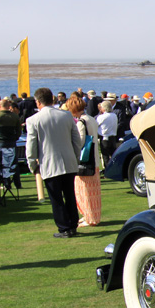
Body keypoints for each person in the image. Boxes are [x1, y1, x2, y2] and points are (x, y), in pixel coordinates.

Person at [26, 88, 82, 237]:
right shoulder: (66, 116)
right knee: (69, 195)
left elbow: (31, 146)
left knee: (56, 198)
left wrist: (32, 164)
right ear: (52, 99)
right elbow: (77, 140)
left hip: (49, 163)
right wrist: (75, 157)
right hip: (68, 161)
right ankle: (72, 225)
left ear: (38, 102)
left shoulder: (33, 120)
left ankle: (64, 228)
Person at [66, 96, 103, 226]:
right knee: (93, 191)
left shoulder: (81, 122)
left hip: (86, 160)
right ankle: (91, 215)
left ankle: (90, 217)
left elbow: (80, 142)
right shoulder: (91, 119)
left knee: (84, 191)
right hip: (94, 159)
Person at [96, 100, 118, 167]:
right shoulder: (114, 115)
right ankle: (114, 168)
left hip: (104, 137)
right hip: (113, 137)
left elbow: (96, 125)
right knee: (113, 155)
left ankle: (107, 170)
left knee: (105, 156)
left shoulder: (102, 117)